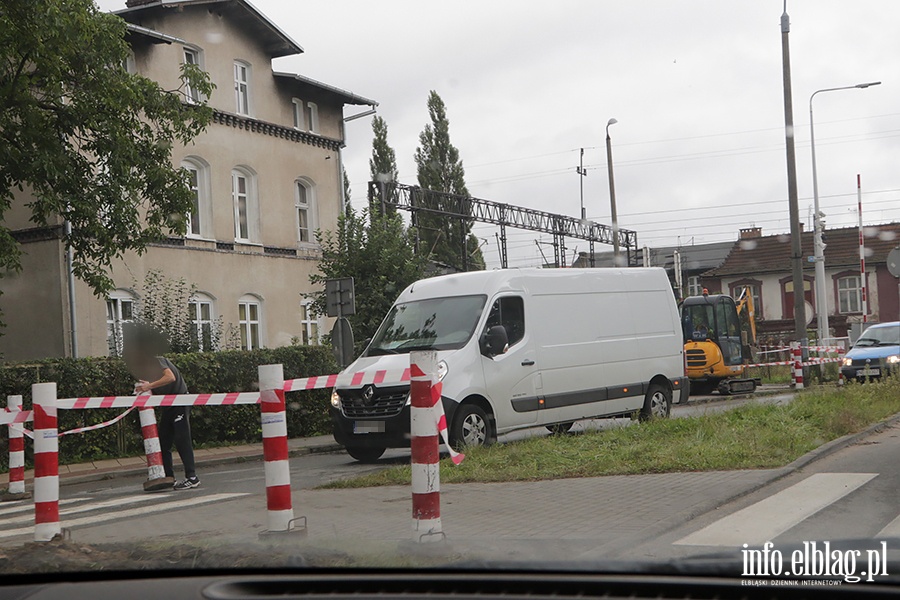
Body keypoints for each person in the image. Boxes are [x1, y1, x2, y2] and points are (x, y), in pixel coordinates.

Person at [124, 325, 200, 491]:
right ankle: (168, 477)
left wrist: (149, 385)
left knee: (182, 439)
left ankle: (192, 477)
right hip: (169, 405)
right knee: (164, 441)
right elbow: (152, 387)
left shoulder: (156, 359)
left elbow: (170, 377)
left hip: (180, 401)